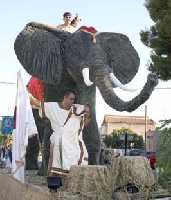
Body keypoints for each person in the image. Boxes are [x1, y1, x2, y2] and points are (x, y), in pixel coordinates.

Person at [44, 90, 90, 176]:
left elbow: (85, 121)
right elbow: (39, 105)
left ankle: (67, 181)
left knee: (77, 154)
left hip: (73, 141)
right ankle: (52, 183)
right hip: (58, 140)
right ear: (65, 97)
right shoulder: (53, 107)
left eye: (73, 99)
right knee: (55, 162)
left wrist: (87, 113)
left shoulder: (76, 110)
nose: (72, 101)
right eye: (71, 99)